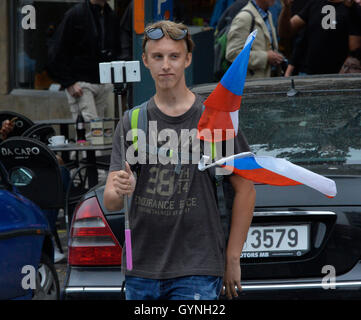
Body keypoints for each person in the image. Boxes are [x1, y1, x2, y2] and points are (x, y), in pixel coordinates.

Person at [103, 20, 256, 300]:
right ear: (146, 61)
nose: (166, 65)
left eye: (174, 56)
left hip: (198, 267)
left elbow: (245, 188)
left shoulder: (214, 120)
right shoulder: (132, 121)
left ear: (187, 59)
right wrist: (120, 187)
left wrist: (233, 257)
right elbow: (111, 200)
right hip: (141, 270)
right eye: (158, 57)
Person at [47, 0, 122, 121]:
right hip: (81, 84)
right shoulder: (76, 14)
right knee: (88, 132)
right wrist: (69, 83)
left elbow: (115, 49)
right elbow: (56, 51)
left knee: (100, 134)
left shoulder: (111, 15)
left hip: (102, 82)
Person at [278, 0, 358, 75]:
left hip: (339, 75)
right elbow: (286, 32)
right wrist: (286, 7)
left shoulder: (352, 8)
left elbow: (354, 49)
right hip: (309, 74)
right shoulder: (315, 3)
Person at [226, 0, 284, 78]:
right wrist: (266, 57)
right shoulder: (244, 17)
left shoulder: (268, 14)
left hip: (266, 81)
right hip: (250, 84)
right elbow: (232, 54)